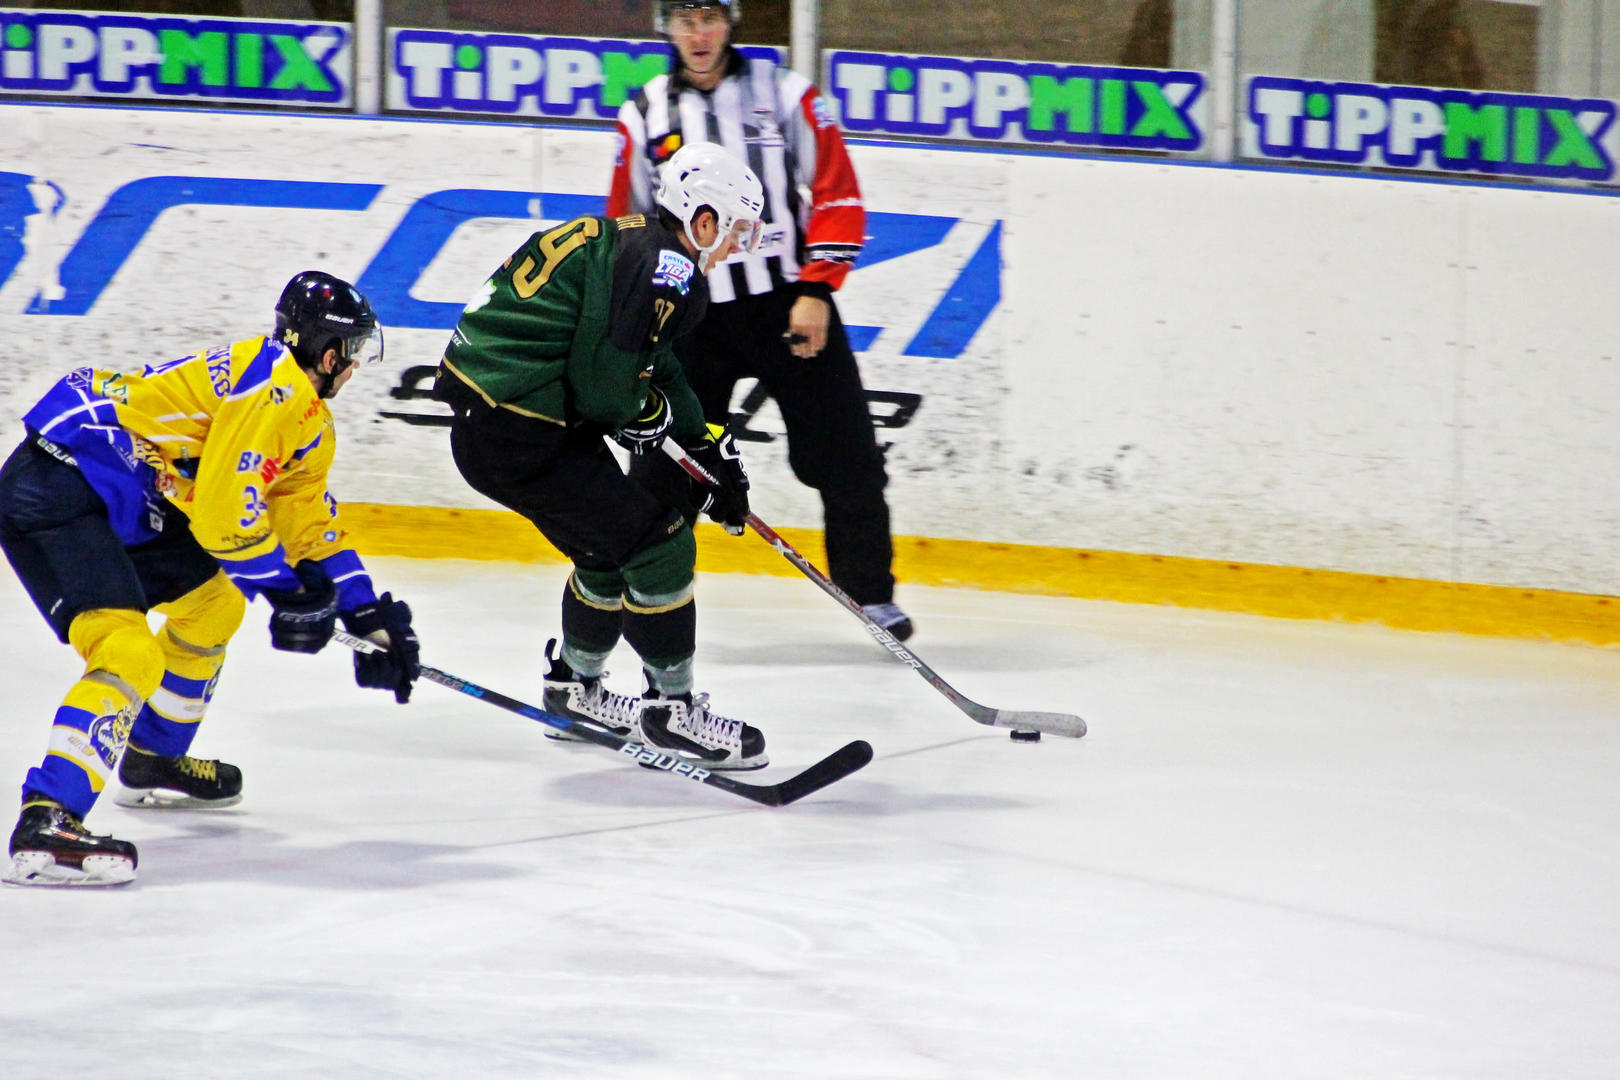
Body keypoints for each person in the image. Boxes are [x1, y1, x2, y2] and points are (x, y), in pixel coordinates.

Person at [1, 271, 421, 888]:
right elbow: (226, 520)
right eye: (353, 350)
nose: (357, 364)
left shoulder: (303, 413)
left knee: (216, 603)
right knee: (129, 651)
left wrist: (366, 615)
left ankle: (152, 756)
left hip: (125, 491)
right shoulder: (273, 389)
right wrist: (287, 591)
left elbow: (307, 523)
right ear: (329, 353)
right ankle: (49, 817)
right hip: (61, 482)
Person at [434, 141, 768, 771]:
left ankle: (573, 691)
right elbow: (608, 394)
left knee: (606, 550)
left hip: (505, 422)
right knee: (660, 544)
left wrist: (705, 449)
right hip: (517, 428)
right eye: (735, 229)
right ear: (703, 220)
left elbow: (656, 365)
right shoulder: (667, 268)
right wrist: (646, 415)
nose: (736, 245)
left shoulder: (642, 244)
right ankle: (672, 712)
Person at [608, 0, 914, 641]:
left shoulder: (786, 95)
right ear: (666, 27)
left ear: (732, 22)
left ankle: (870, 594)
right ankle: (640, 589)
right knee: (666, 465)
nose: (698, 34)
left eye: (709, 18)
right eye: (685, 20)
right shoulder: (644, 113)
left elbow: (837, 192)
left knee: (848, 455)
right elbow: (627, 221)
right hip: (690, 315)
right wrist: (639, 306)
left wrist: (817, 288)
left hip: (786, 306)